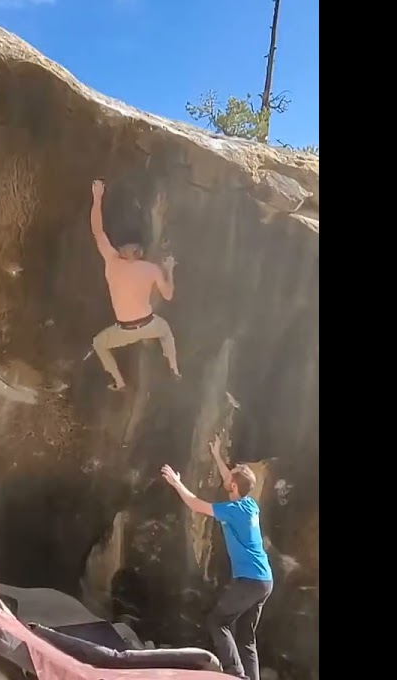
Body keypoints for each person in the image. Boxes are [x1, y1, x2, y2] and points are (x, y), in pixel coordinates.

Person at [160, 437, 273, 680]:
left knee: (217, 621)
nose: (226, 478)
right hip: (264, 580)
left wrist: (177, 483)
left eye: (229, 477)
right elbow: (232, 480)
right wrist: (217, 454)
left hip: (250, 580)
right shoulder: (250, 504)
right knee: (245, 637)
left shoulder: (232, 510)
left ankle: (236, 673)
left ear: (233, 486)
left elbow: (196, 505)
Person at [88, 178, 180, 390]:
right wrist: (169, 270)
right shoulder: (150, 268)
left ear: (122, 249)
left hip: (124, 330)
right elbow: (168, 295)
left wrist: (97, 198)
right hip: (149, 325)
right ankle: (174, 368)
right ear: (138, 251)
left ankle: (119, 381)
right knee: (165, 331)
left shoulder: (112, 261)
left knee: (98, 344)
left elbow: (98, 232)